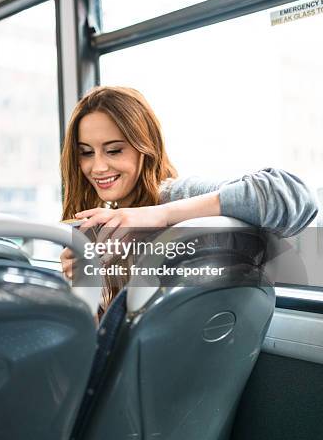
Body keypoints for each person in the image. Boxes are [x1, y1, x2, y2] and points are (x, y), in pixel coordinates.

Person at [60, 85, 318, 314]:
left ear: (145, 148)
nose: (98, 167)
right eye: (85, 153)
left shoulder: (175, 196)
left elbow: (295, 196)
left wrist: (157, 215)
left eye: (114, 150)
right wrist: (87, 288)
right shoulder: (105, 227)